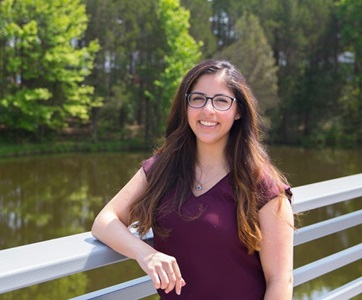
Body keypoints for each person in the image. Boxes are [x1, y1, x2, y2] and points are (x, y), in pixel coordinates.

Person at [92, 59, 294, 299]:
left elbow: (280, 280)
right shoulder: (163, 168)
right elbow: (104, 221)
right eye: (198, 98)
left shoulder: (261, 185)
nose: (208, 110)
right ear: (186, 106)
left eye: (221, 101)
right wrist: (144, 252)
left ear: (238, 111)